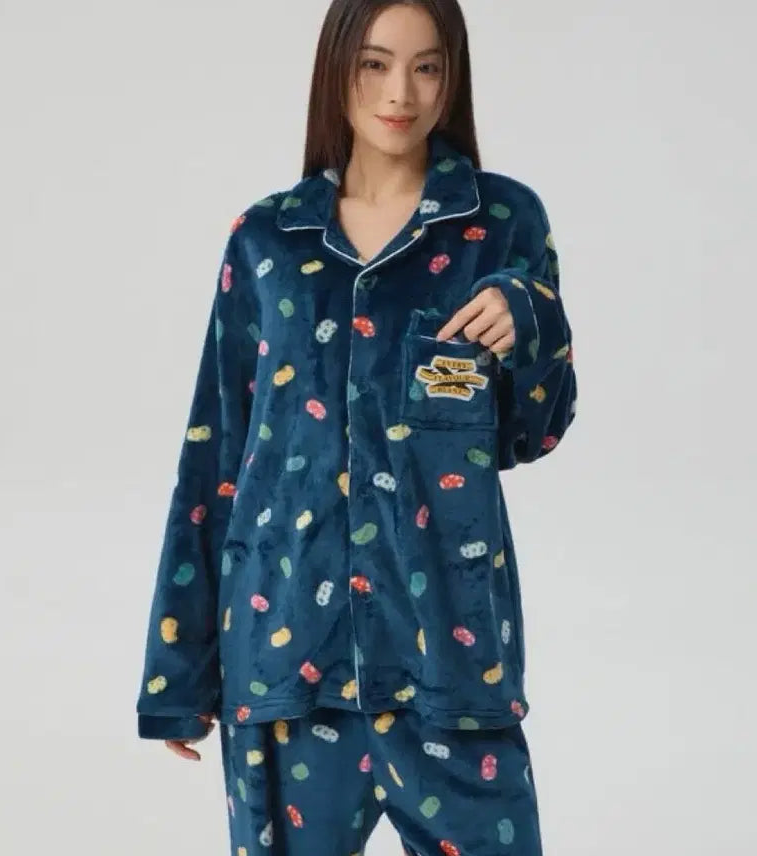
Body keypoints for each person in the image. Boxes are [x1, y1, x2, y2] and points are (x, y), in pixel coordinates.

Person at [135, 0, 577, 853]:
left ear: (453, 78)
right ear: (336, 70)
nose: (400, 92)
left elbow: (534, 433)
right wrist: (177, 673)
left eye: (426, 66)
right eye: (374, 64)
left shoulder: (500, 226)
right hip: (285, 656)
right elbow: (214, 454)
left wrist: (531, 320)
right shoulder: (266, 240)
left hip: (448, 661)